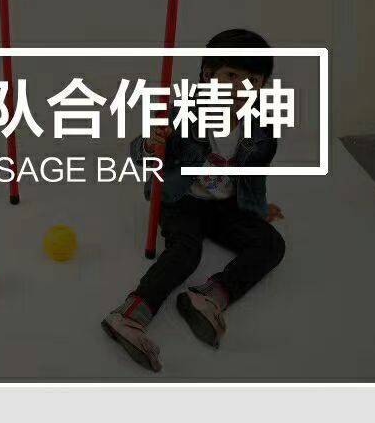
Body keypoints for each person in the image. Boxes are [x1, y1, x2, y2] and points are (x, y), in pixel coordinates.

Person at [102, 29, 286, 372]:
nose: (240, 88)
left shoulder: (262, 130)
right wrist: (151, 145)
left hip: (225, 207)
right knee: (187, 251)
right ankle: (129, 315)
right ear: (208, 74)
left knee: (272, 244)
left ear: (263, 86)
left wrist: (258, 208)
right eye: (231, 75)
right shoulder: (183, 113)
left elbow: (254, 177)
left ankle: (207, 298)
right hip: (181, 200)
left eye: (253, 80)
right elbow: (138, 152)